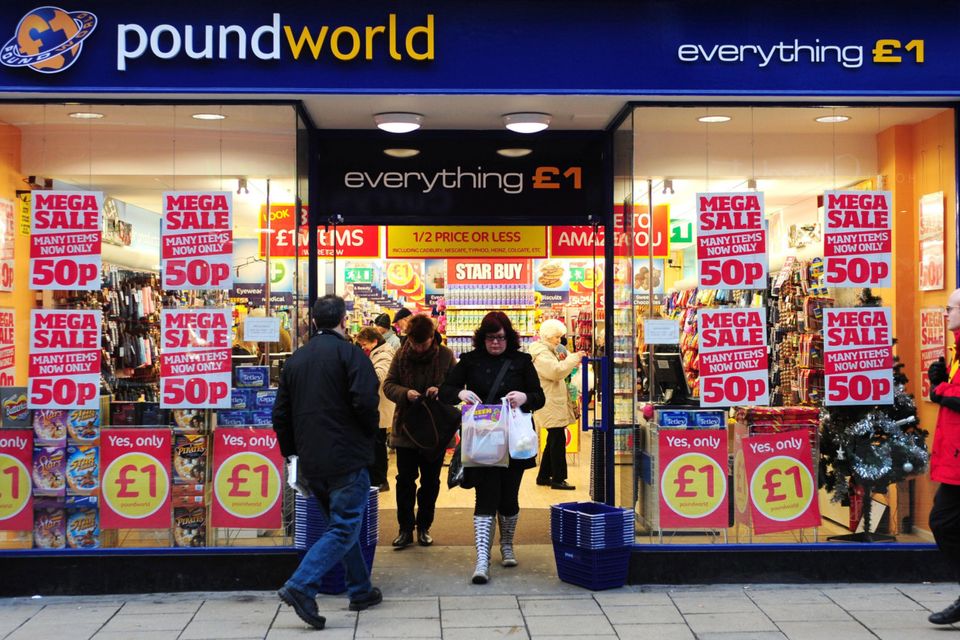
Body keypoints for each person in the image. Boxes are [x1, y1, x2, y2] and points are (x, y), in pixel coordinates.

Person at [272, 295, 383, 629]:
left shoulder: (296, 360)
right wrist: (367, 437)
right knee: (345, 526)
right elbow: (365, 402)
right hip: (346, 456)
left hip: (311, 459)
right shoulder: (351, 355)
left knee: (340, 525)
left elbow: (281, 414)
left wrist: (293, 453)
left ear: (315, 322)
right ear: (343, 321)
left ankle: (360, 590)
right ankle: (301, 585)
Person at [440, 311, 545, 584]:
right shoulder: (470, 361)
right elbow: (446, 390)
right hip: (482, 440)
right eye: (490, 338)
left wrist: (524, 397)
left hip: (514, 442)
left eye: (499, 338)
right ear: (481, 338)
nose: (495, 343)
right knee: (485, 496)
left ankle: (507, 545)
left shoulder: (522, 362)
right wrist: (460, 393)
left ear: (508, 337)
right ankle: (481, 559)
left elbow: (539, 397)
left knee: (509, 495)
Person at [382, 314, 457, 548]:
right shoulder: (401, 354)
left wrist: (441, 390)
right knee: (405, 480)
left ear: (432, 338)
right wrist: (405, 393)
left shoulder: (445, 355)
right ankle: (405, 528)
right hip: (406, 427)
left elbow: (456, 388)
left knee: (430, 481)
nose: (418, 347)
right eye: (414, 343)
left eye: (422, 343)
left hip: (434, 429)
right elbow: (388, 385)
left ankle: (424, 526)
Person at [927, 289, 960, 625]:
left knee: (943, 522)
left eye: (950, 309)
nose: (946, 314)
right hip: (954, 453)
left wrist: (941, 391)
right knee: (946, 521)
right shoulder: (957, 348)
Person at [530, 319, 586, 490]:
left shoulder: (549, 351)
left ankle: (544, 476)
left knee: (555, 438)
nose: (559, 341)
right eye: (556, 337)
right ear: (547, 336)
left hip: (552, 400)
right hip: (549, 401)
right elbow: (555, 372)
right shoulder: (542, 354)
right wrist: (574, 358)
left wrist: (568, 357)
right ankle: (558, 478)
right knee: (557, 439)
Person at [356, 326, 397, 493]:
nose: (363, 347)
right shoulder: (377, 353)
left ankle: (380, 480)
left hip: (381, 406)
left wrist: (361, 372)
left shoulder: (384, 355)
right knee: (376, 444)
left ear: (374, 341)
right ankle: (377, 479)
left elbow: (379, 376)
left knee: (378, 446)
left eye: (365, 344)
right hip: (377, 405)